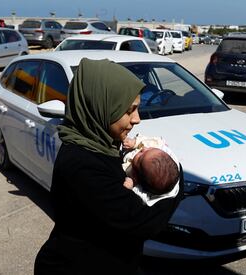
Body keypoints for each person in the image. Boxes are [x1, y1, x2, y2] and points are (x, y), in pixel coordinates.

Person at [34, 58, 183, 275]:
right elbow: (143, 222)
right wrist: (176, 181)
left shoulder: (106, 144)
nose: (137, 119)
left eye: (138, 109)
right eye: (129, 110)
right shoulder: (82, 164)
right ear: (100, 106)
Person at [122, 135, 180, 206]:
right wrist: (135, 143)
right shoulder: (158, 147)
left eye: (141, 156)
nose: (144, 149)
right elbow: (151, 141)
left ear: (135, 174)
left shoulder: (135, 179)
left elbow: (140, 197)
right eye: (150, 149)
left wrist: (131, 184)